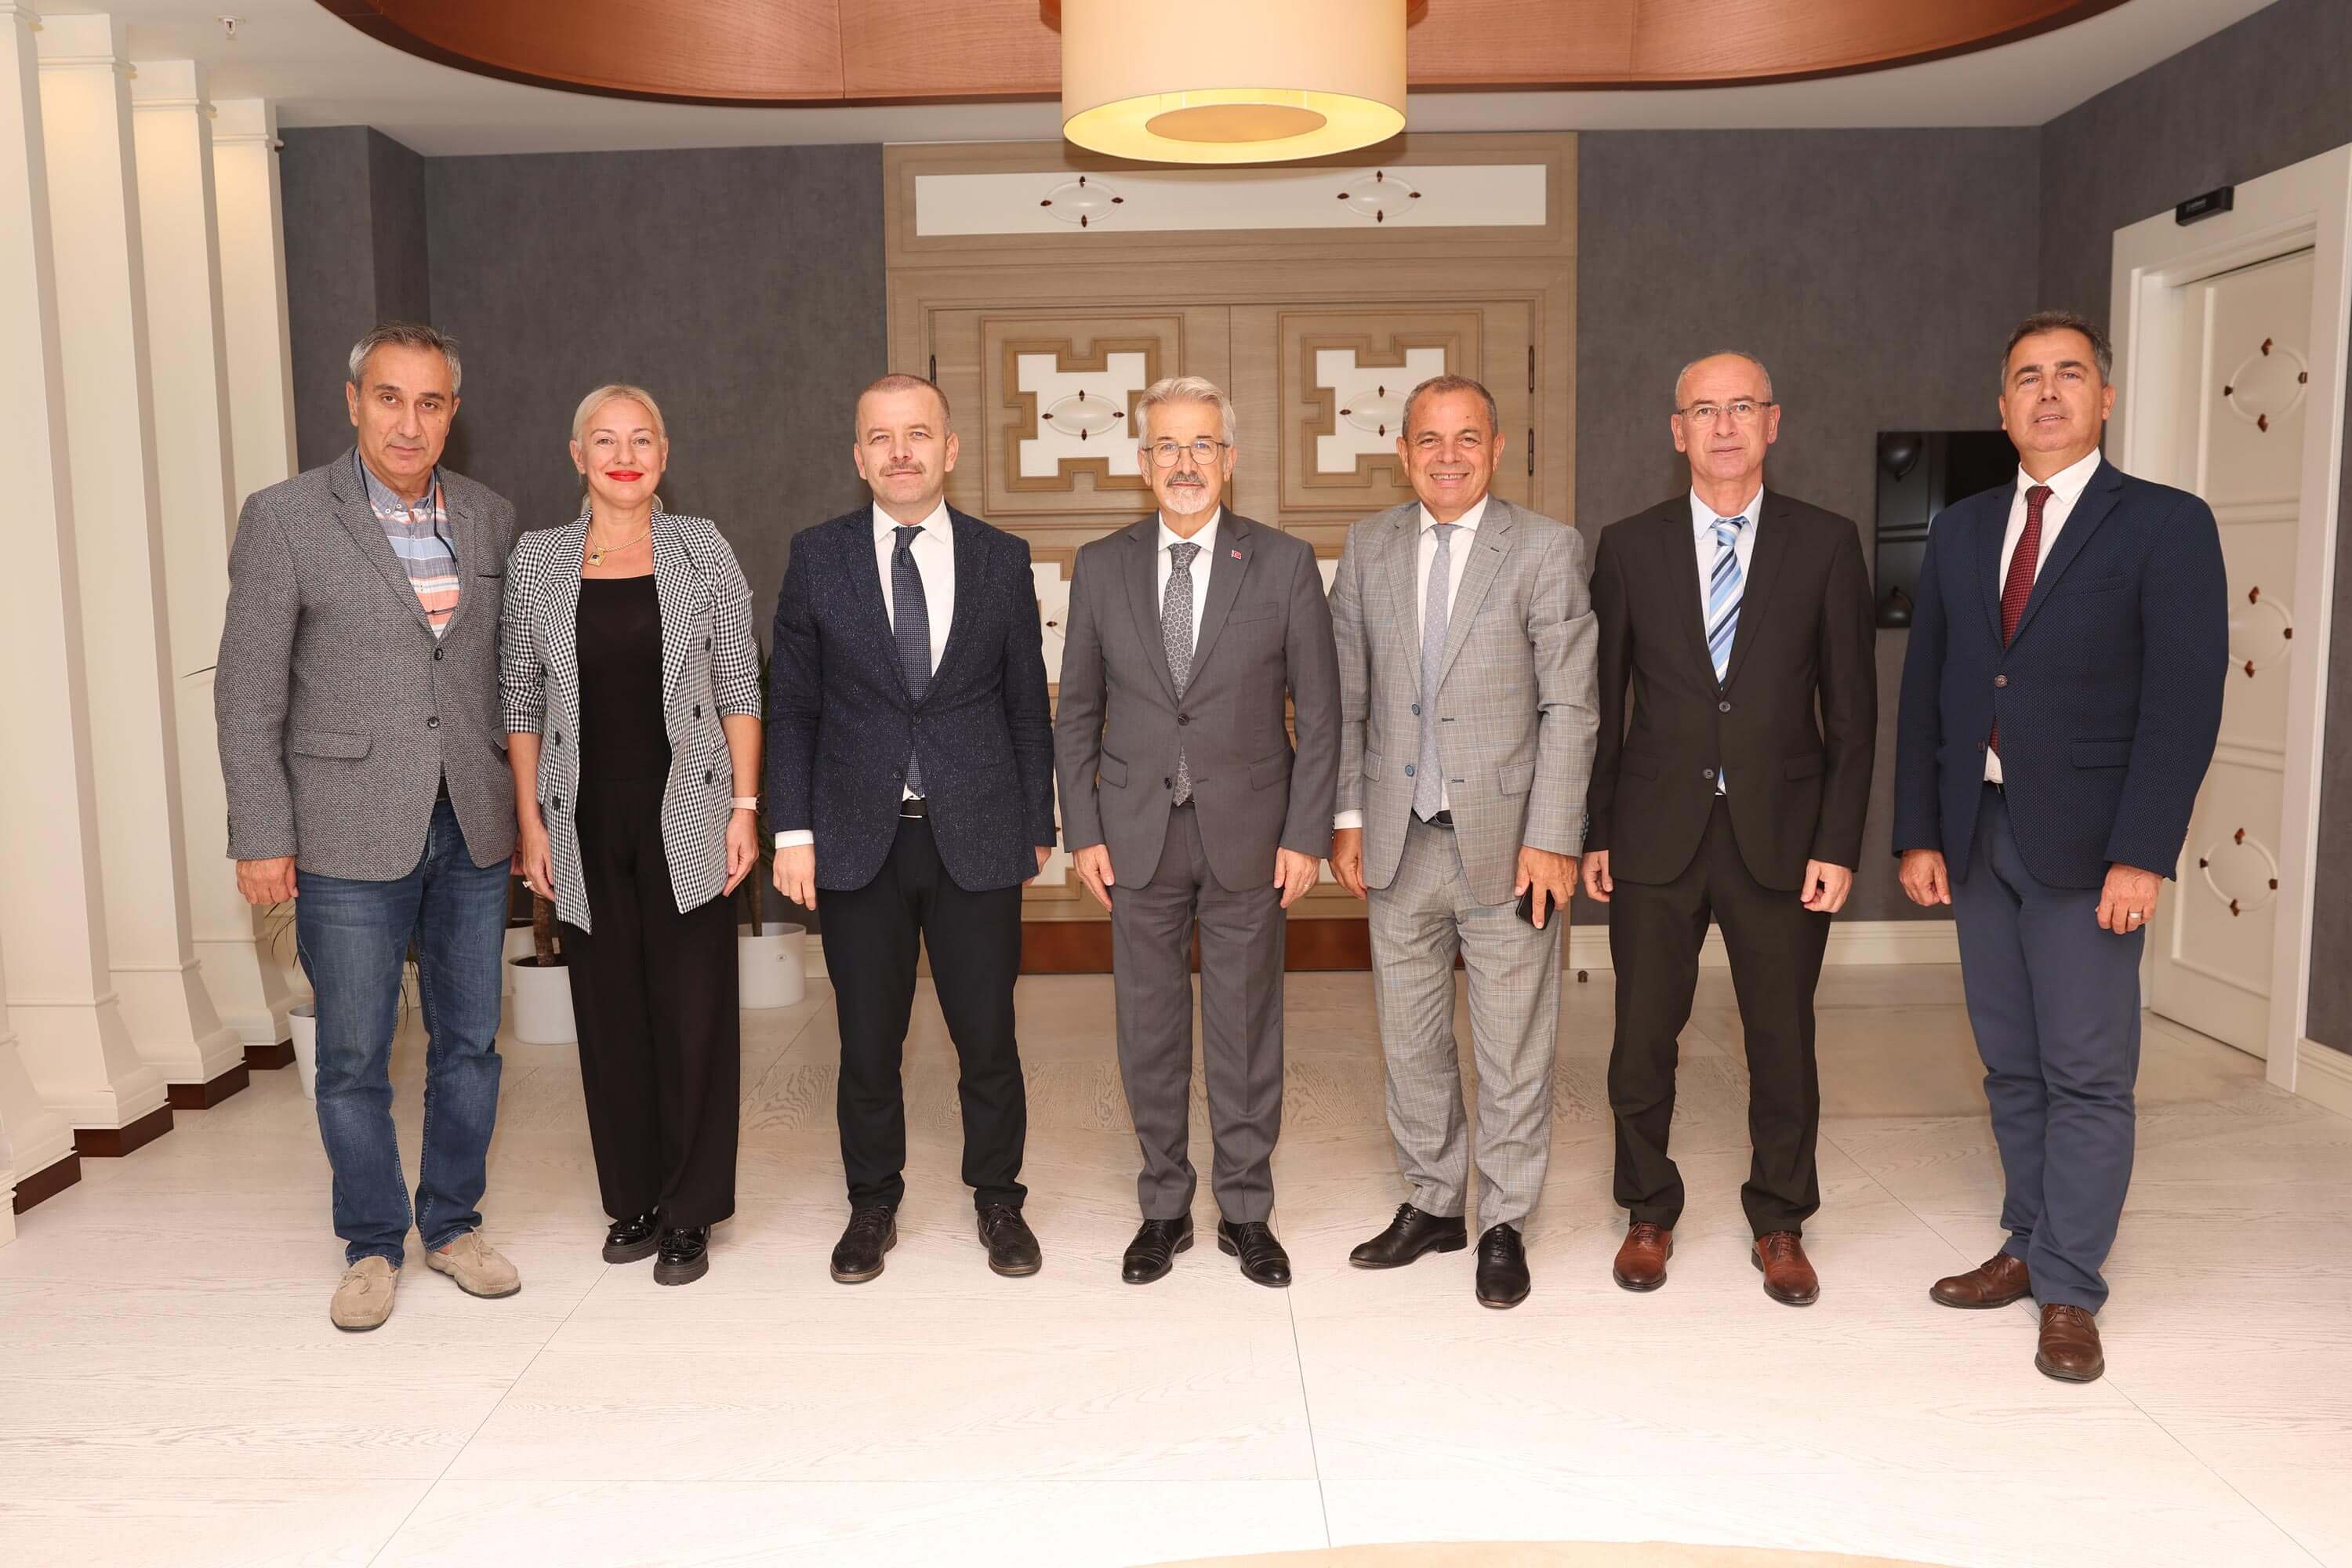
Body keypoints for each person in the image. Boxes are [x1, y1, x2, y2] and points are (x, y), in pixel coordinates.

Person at [1894, 310, 2227, 1382]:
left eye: (2069, 374)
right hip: (1977, 833)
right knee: (2010, 1063)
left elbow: (2184, 702)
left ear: (2105, 397)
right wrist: (1918, 831)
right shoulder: (1961, 529)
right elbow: (1931, 689)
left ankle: (2071, 1286)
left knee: (2086, 1070)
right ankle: (2028, 1240)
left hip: (2091, 847)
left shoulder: (2165, 524)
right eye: (2027, 378)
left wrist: (2144, 851)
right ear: (2002, 408)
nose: (2047, 393)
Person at [216, 321, 520, 1330]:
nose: (408, 422)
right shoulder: (286, 518)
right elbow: (247, 692)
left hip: (471, 823)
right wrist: (261, 832)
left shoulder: (489, 516)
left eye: (430, 402)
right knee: (352, 1053)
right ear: (353, 402)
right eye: (389, 398)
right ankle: (372, 1244)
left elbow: (504, 678)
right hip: (344, 829)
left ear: (453, 413)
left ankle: (454, 1226)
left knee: (470, 1042)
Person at [1582, 352, 1876, 1307]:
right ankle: (1648, 1208)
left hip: (1783, 837)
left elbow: (1853, 712)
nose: (1722, 425)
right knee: (1641, 1038)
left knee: (1782, 1039)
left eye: (1740, 406)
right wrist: (1595, 830)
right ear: (1677, 431)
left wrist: (1837, 842)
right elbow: (1602, 705)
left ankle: (1780, 1219)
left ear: (1771, 421)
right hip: (1654, 834)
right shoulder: (1628, 546)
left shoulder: (1825, 543)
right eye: (1703, 410)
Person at [767, 374, 1057, 1284]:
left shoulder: (1001, 558)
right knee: (867, 1041)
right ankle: (872, 1202)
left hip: (978, 830)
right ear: (858, 456)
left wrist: (1037, 819)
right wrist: (791, 829)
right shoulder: (817, 556)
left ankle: (999, 1197)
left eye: (918, 433)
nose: (901, 451)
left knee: (988, 1036)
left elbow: (1025, 701)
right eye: (881, 436)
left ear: (950, 448)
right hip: (857, 836)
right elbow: (792, 706)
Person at [1054, 376, 1341, 1289]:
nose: (1186, 463)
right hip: (1134, 831)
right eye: (1169, 447)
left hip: (1253, 832)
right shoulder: (1101, 564)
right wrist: (1083, 828)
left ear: (1231, 459)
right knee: (1148, 1026)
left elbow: (1321, 714)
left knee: (1245, 1025)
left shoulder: (1284, 562)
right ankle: (1164, 1206)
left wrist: (1307, 834)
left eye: (1203, 444)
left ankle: (1247, 1208)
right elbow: (1077, 711)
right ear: (1143, 463)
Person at [1328, 374, 1598, 1309]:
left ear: (1498, 447)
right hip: (1398, 838)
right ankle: (1435, 1201)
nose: (1449, 456)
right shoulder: (1367, 547)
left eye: (1468, 437)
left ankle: (1504, 1221)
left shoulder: (1546, 548)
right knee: (1409, 1040)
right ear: (1403, 453)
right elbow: (1348, 699)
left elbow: (1571, 704)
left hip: (1510, 846)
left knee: (1512, 1045)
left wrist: (1554, 835)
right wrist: (1348, 818)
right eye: (1430, 439)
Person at [502, 384, 761, 1287]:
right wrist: (530, 820)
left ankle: (692, 1207)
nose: (624, 456)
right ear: (578, 456)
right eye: (604, 441)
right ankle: (636, 1198)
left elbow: (739, 684)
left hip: (688, 807)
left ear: (664, 454)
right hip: (580, 815)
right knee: (609, 1013)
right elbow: (520, 697)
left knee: (693, 1013)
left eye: (641, 439)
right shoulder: (538, 559)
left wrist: (745, 807)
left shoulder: (702, 547)